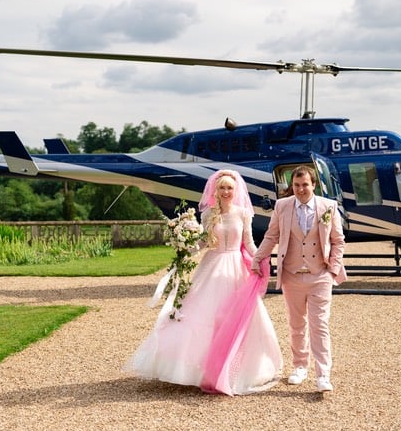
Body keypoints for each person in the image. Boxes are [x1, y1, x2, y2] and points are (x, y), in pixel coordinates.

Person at [124, 169, 282, 395]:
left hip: (235, 269)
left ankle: (234, 369)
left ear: (235, 190)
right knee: (201, 314)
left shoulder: (243, 213)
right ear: (215, 191)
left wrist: (260, 259)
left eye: (230, 188)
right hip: (212, 265)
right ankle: (194, 370)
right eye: (222, 188)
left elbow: (248, 242)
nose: (226, 192)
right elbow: (205, 242)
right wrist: (185, 248)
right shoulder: (208, 214)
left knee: (234, 317)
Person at [252, 165, 346, 392]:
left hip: (320, 275)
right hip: (292, 275)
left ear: (313, 185)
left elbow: (338, 240)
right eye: (296, 185)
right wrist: (257, 258)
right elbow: (272, 235)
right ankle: (300, 367)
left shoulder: (329, 206)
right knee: (296, 325)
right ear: (291, 186)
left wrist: (332, 270)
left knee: (320, 325)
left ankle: (323, 374)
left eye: (305, 184)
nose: (301, 189)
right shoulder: (282, 206)